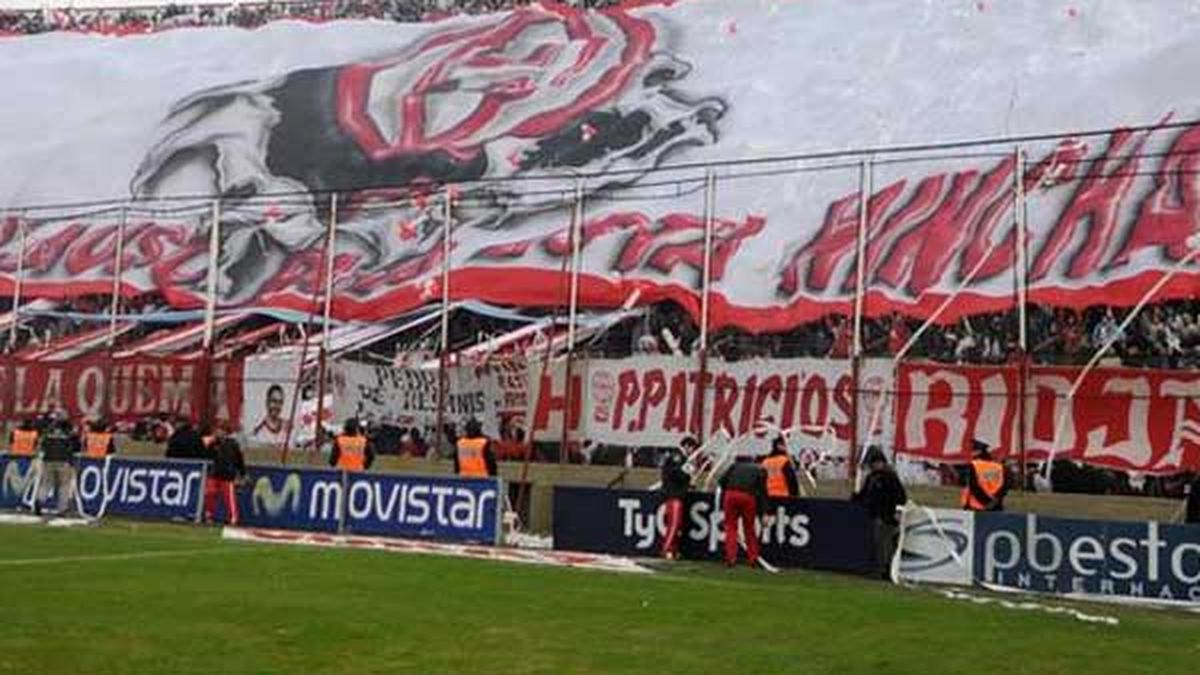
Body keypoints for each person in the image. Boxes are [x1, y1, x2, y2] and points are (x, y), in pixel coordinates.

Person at [852, 446, 908, 579]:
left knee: (884, 545)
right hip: (874, 516)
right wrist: (855, 496)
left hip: (886, 517)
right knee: (877, 544)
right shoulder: (872, 477)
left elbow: (901, 497)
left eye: (875, 463)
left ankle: (884, 571)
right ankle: (879, 569)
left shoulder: (890, 477)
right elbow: (863, 496)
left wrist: (896, 512)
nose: (873, 466)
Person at [718, 456, 768, 568]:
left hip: (731, 495)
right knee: (749, 528)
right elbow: (763, 493)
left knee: (730, 527)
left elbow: (721, 482)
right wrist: (764, 512)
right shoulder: (761, 470)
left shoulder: (734, 466)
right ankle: (753, 558)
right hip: (748, 497)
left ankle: (731, 558)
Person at [34, 415, 81, 516]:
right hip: (64, 461)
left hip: (48, 460)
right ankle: (62, 509)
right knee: (64, 486)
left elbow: (42, 446)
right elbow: (76, 448)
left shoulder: (48, 433)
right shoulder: (70, 435)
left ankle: (39, 500)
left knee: (46, 483)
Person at [659, 436, 695, 560]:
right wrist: (687, 473)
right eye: (691, 448)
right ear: (686, 446)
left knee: (677, 524)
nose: (692, 451)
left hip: (677, 494)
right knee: (674, 524)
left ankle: (673, 550)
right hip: (674, 495)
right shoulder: (677, 456)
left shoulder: (680, 458)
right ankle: (667, 549)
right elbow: (674, 474)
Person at [204, 424, 246, 525]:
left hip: (227, 475)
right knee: (210, 493)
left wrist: (242, 473)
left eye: (220, 430)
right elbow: (206, 452)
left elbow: (239, 459)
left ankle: (233, 518)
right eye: (217, 430)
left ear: (225, 432)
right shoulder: (214, 442)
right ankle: (208, 515)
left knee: (229, 499)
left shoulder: (232, 444)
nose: (218, 432)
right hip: (215, 473)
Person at [961, 440, 1007, 512]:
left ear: (978, 452)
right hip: (996, 507)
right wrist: (994, 501)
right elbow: (1004, 487)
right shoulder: (1000, 467)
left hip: (975, 508)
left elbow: (974, 487)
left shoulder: (973, 465)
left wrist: (987, 502)